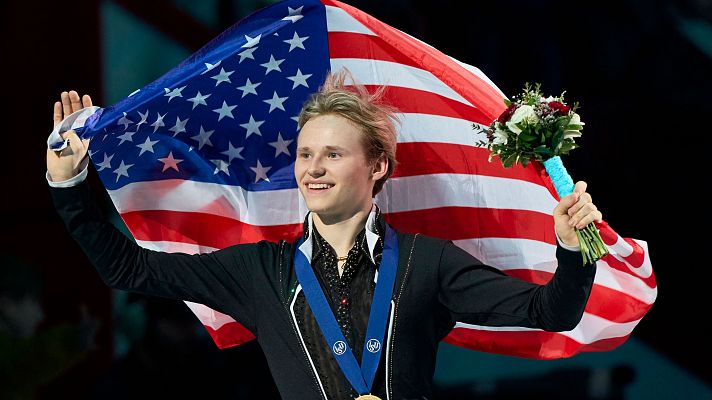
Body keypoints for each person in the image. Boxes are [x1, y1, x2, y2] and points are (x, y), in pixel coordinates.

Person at [46, 71, 602, 400]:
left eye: (333, 154)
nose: (312, 168)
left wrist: (574, 249)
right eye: (305, 154)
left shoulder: (427, 264)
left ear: (378, 166)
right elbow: (128, 269)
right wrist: (69, 182)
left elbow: (551, 312)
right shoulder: (261, 272)